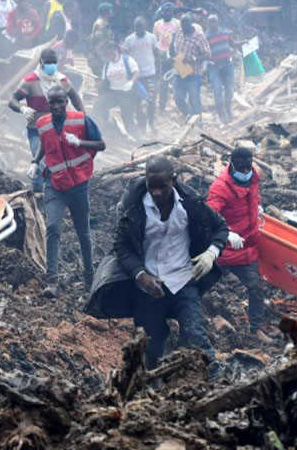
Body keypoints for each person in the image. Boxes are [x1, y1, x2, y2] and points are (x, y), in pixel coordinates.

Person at [84, 156, 227, 378]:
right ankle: (152, 387)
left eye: (163, 186)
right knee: (150, 344)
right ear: (145, 181)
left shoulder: (191, 204)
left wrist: (211, 253)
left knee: (195, 333)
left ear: (174, 180)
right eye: (152, 187)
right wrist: (139, 274)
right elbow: (121, 247)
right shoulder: (134, 210)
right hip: (149, 286)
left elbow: (220, 227)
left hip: (183, 279)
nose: (157, 192)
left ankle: (218, 380)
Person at [26, 86, 106, 296]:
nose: (56, 106)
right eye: (52, 102)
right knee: (52, 227)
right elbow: (45, 143)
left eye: (60, 101)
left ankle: (89, 275)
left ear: (66, 102)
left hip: (79, 184)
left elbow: (101, 144)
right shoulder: (42, 123)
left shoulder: (81, 120)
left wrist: (80, 142)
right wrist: (35, 162)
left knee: (83, 232)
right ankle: (52, 280)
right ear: (48, 103)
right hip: (54, 184)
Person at [207, 148, 271, 342]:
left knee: (256, 287)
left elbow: (253, 195)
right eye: (241, 168)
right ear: (231, 165)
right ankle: (201, 319)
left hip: (246, 247)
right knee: (203, 283)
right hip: (223, 247)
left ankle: (256, 328)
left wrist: (257, 205)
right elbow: (209, 217)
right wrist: (225, 234)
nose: (245, 171)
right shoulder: (220, 188)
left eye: (248, 167)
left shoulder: (253, 177)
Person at [9, 48, 84, 192]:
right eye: (48, 62)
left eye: (54, 62)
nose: (51, 65)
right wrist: (23, 109)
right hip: (37, 130)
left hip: (60, 129)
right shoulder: (30, 81)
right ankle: (38, 192)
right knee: (41, 162)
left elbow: (74, 97)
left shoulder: (61, 80)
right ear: (41, 63)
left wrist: (82, 115)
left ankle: (55, 192)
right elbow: (12, 100)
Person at [95, 41, 141, 139]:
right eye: (108, 54)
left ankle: (137, 138)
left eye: (111, 53)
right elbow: (103, 79)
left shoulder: (127, 60)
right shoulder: (107, 64)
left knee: (127, 117)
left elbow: (136, 72)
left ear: (117, 51)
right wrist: (99, 86)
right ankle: (101, 129)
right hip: (113, 93)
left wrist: (131, 82)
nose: (110, 56)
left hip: (126, 93)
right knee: (99, 106)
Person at [170, 13, 209, 122]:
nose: (184, 24)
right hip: (180, 72)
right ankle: (189, 115)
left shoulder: (199, 36)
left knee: (195, 100)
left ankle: (199, 125)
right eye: (182, 22)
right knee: (178, 98)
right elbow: (172, 51)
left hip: (193, 74)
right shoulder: (177, 33)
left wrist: (193, 59)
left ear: (191, 23)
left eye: (187, 21)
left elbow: (207, 54)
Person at [123, 16, 159, 132]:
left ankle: (152, 121)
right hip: (137, 77)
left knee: (151, 100)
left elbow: (156, 55)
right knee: (138, 103)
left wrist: (160, 72)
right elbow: (125, 58)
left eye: (141, 26)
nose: (139, 29)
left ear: (145, 26)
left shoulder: (152, 38)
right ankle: (142, 126)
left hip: (150, 75)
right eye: (137, 27)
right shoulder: (129, 40)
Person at [205, 15, 237, 124]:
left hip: (228, 66)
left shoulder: (226, 33)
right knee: (217, 92)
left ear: (218, 22)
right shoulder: (206, 37)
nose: (213, 24)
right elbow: (204, 52)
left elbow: (233, 44)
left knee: (230, 90)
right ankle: (222, 115)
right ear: (208, 24)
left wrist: (243, 43)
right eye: (211, 23)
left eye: (215, 22)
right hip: (215, 68)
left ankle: (228, 109)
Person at [153, 2, 180, 114]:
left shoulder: (178, 23)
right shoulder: (157, 24)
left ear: (172, 12)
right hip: (163, 57)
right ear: (162, 12)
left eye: (169, 11)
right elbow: (155, 41)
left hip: (177, 56)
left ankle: (183, 106)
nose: (167, 13)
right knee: (163, 83)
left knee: (181, 81)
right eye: (165, 11)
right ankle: (162, 108)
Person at [89, 2, 114, 77]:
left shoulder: (104, 23)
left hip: (102, 60)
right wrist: (104, 62)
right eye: (110, 11)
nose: (112, 12)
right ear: (105, 13)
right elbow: (97, 46)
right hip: (99, 62)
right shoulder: (100, 24)